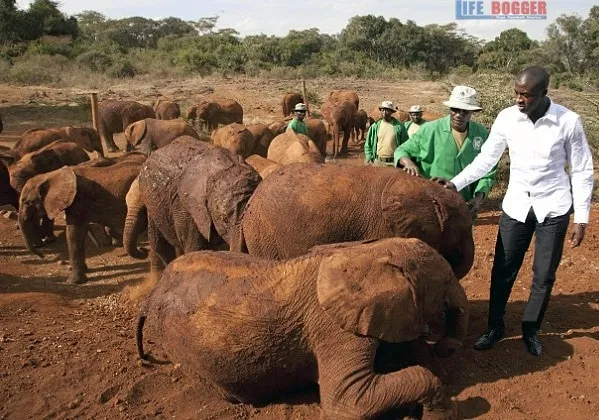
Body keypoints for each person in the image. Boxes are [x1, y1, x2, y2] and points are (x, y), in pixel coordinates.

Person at [437, 66, 594, 356]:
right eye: (517, 93)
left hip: (553, 206)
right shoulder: (507, 118)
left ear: (544, 93)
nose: (519, 99)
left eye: (526, 95)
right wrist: (455, 183)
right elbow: (487, 159)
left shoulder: (568, 121)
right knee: (503, 270)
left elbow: (582, 169)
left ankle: (530, 329)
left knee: (543, 275)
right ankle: (495, 327)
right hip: (517, 204)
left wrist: (581, 217)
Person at [394, 86, 495, 216]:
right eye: (455, 110)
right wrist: (407, 162)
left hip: (464, 205)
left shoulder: (481, 133)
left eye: (465, 111)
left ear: (472, 112)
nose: (459, 115)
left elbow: (489, 170)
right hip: (431, 203)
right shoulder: (430, 130)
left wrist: (479, 197)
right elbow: (403, 150)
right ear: (450, 109)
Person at [364, 101, 408, 166]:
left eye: (387, 110)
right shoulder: (375, 126)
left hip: (394, 162)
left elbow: (405, 144)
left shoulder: (399, 127)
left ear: (391, 112)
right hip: (378, 162)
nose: (384, 112)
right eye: (382, 110)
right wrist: (369, 158)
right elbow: (368, 144)